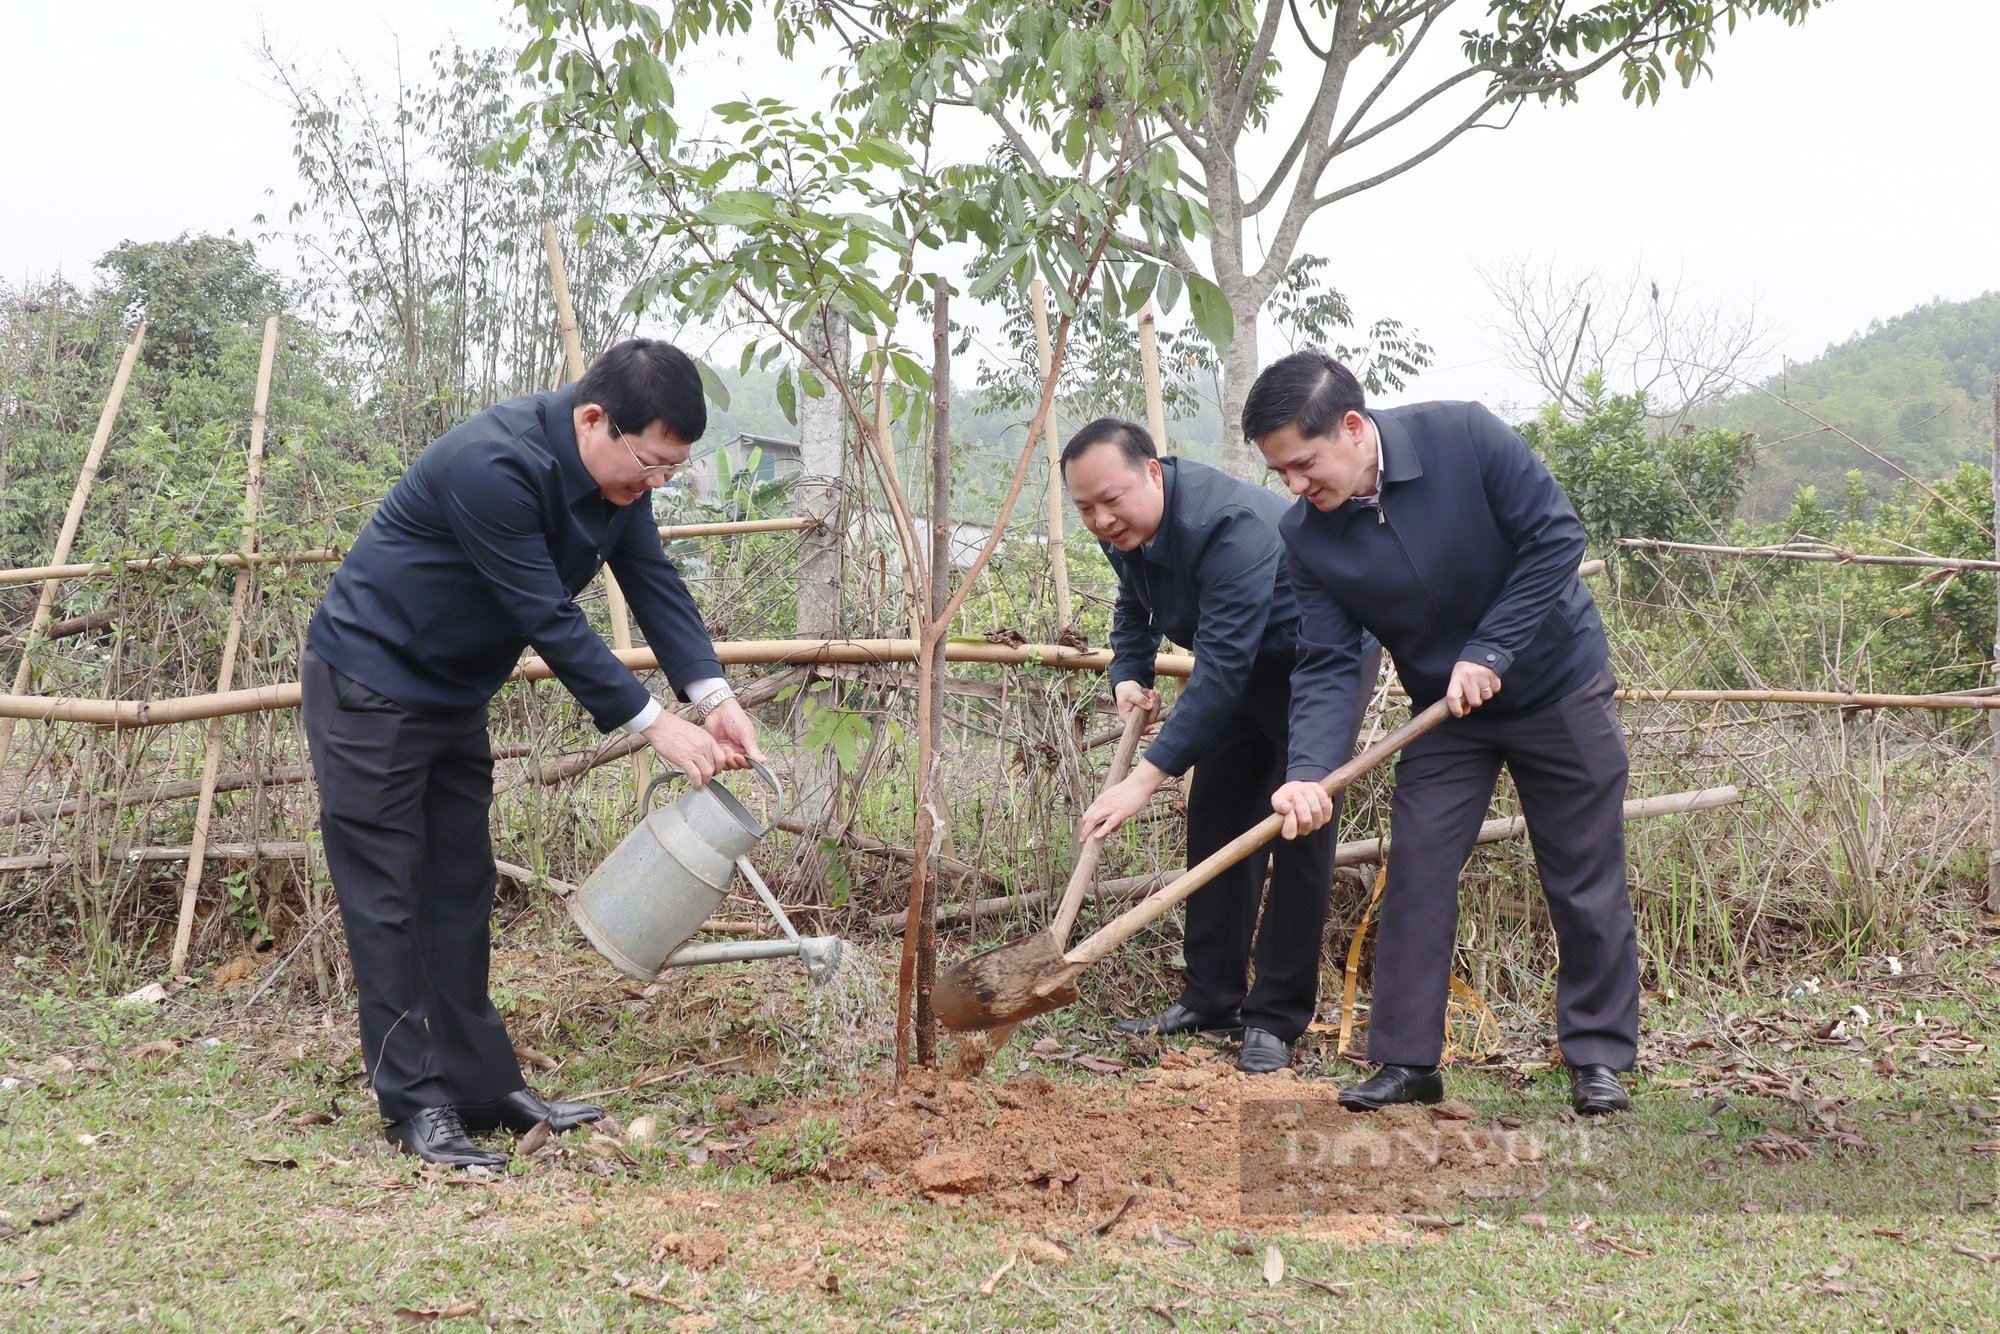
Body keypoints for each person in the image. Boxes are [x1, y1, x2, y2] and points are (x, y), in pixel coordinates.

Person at [301, 339, 764, 1167]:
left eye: (670, 470)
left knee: (460, 886)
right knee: (387, 895)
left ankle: (482, 1088)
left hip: (451, 692)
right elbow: (547, 616)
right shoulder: (494, 464)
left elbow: (654, 579)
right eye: (648, 464)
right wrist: (654, 723)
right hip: (370, 682)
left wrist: (714, 698)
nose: (652, 484)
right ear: (593, 419)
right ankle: (413, 1102)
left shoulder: (619, 479)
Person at [1245, 349, 1635, 1116]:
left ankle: (1598, 1057)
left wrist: (1492, 649)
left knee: (1582, 877)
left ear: (1353, 429)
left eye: (1303, 463)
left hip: (1558, 686)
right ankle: (1406, 1061)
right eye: (1280, 473)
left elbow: (1555, 540)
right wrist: (1309, 771)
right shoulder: (1309, 538)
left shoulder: (1466, 438)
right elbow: (1326, 663)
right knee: (1417, 872)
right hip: (1445, 715)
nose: (1294, 486)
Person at [1065, 418, 1379, 1074]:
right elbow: (1135, 599)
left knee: (1298, 828)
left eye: (1111, 501)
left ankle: (1275, 1017)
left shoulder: (1231, 525)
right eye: (1084, 508)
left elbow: (1222, 669)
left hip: (1314, 669)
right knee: (1214, 816)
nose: (1100, 519)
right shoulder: (1124, 528)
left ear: (1154, 471)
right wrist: (1130, 672)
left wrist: (1142, 780)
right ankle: (1212, 997)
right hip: (1241, 670)